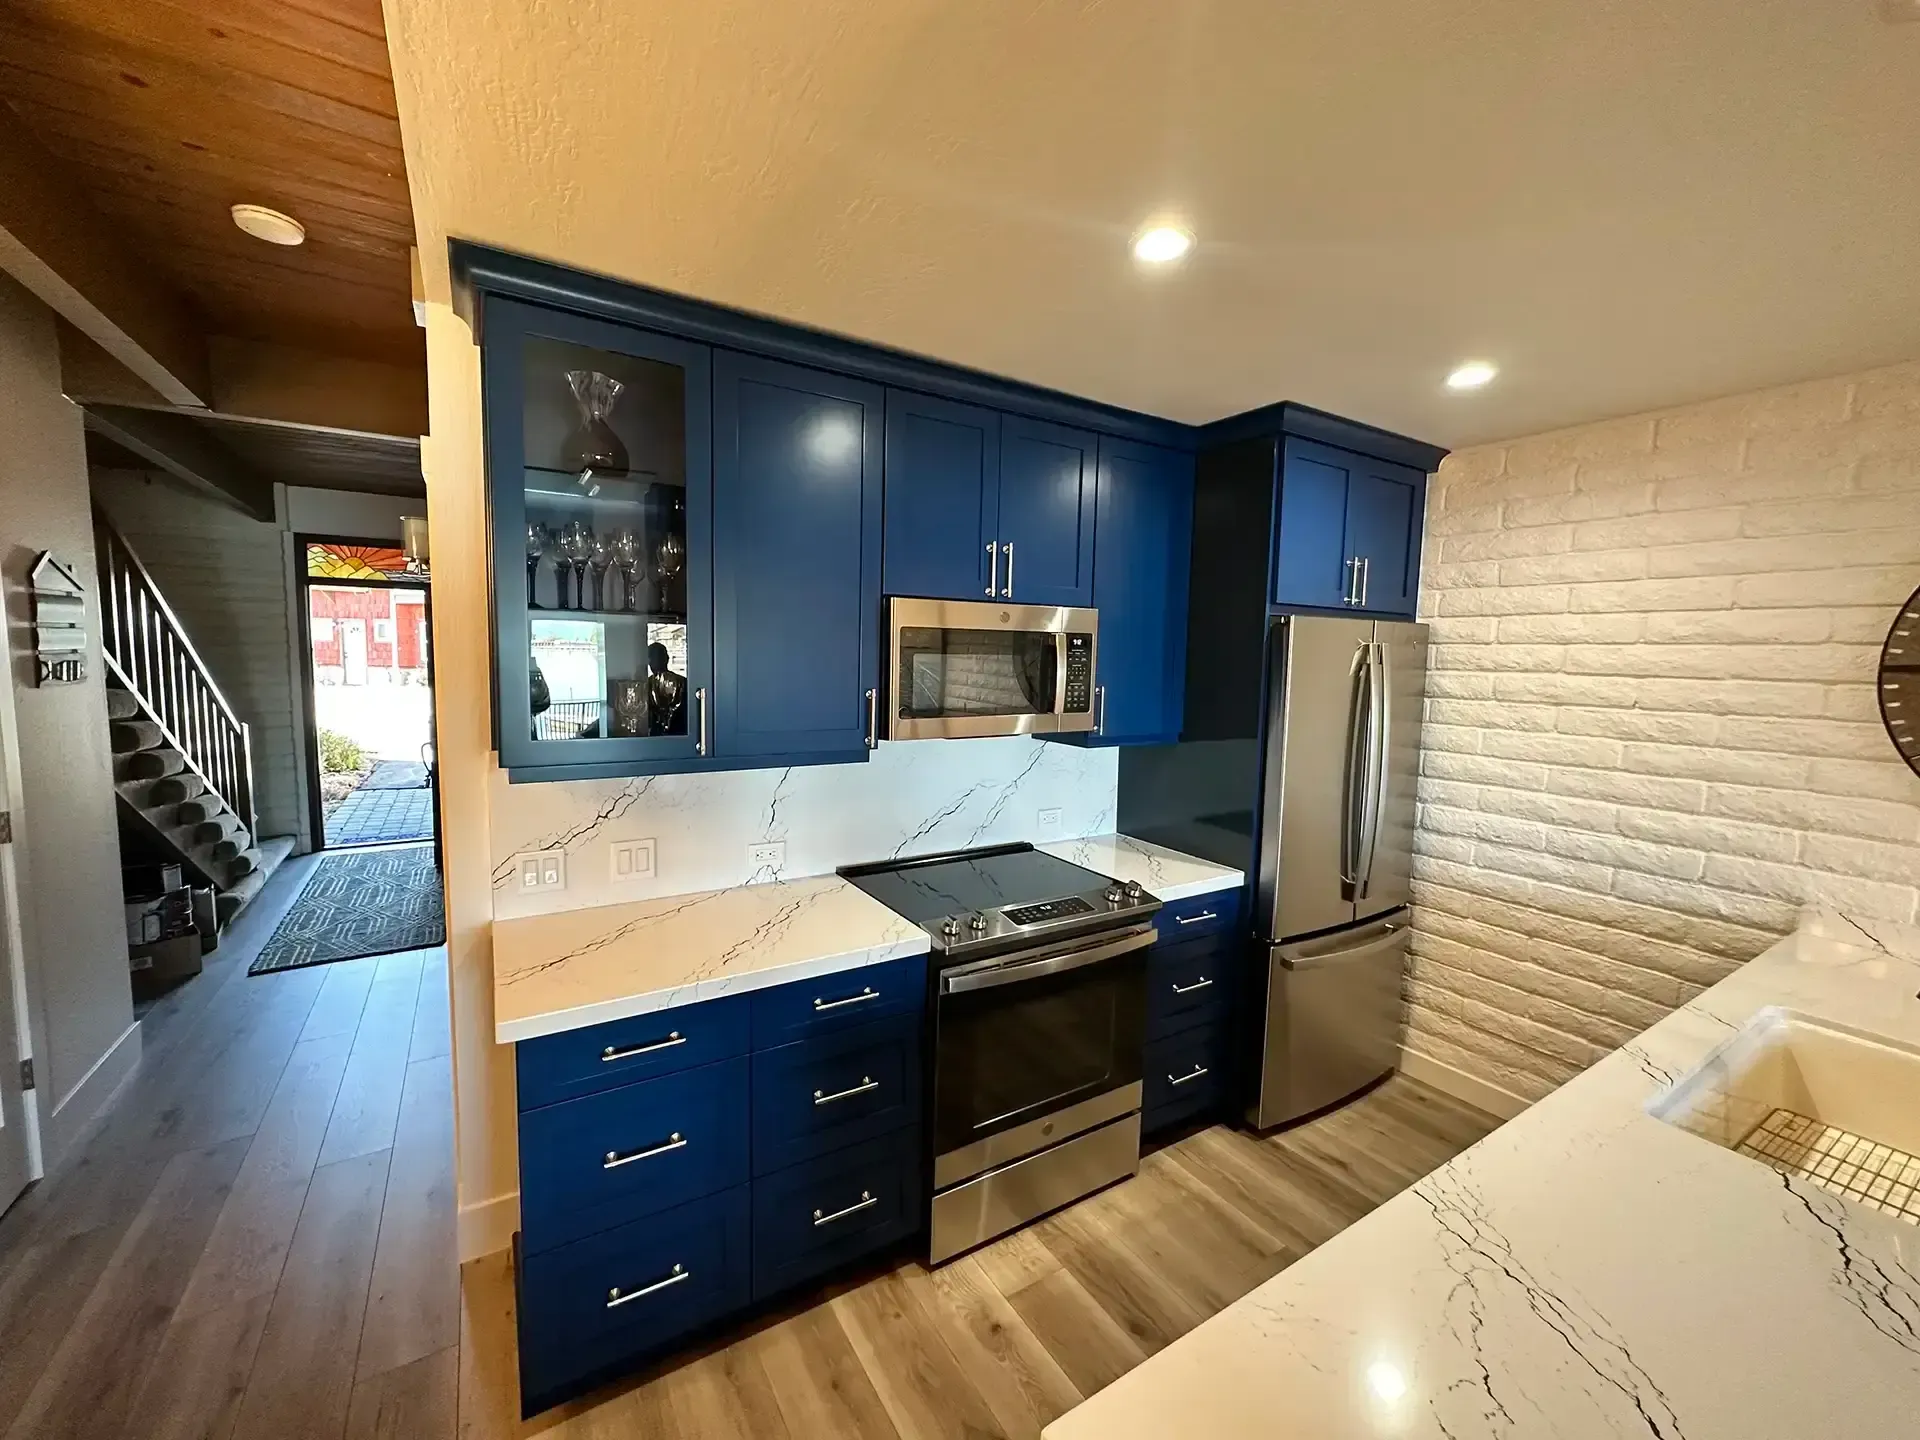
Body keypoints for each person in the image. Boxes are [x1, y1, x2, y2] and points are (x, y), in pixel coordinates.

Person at [645, 642, 687, 735]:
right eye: (651, 658)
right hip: (674, 735)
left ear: (666, 659)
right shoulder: (646, 684)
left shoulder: (682, 682)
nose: (651, 662)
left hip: (678, 733)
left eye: (654, 658)